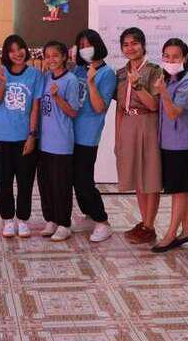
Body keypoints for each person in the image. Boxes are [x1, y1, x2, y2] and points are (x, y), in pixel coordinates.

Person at [0, 35, 42, 238]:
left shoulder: (35, 74)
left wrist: (32, 135)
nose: (17, 53)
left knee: (25, 180)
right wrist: (2, 84)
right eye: (11, 50)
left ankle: (23, 219)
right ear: (6, 53)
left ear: (25, 50)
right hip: (1, 136)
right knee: (3, 181)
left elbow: (35, 108)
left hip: (24, 137)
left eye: (20, 48)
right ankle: (8, 220)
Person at [151, 38, 188, 253]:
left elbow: (173, 113)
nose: (170, 61)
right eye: (167, 57)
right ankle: (187, 230)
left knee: (179, 191)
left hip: (182, 144)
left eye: (175, 57)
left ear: (185, 58)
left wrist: (163, 92)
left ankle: (171, 234)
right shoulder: (167, 79)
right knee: (181, 189)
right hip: (168, 143)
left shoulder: (187, 83)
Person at [114, 27, 163, 245]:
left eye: (134, 43)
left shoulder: (154, 70)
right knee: (136, 178)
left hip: (147, 123)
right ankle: (144, 223)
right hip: (127, 124)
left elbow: (153, 105)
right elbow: (119, 109)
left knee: (150, 178)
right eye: (125, 44)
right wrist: (117, 138)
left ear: (143, 45)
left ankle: (149, 226)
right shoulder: (121, 73)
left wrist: (137, 85)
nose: (130, 48)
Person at [71, 29, 116, 242]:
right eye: (81, 45)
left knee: (84, 180)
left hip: (88, 135)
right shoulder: (79, 69)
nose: (85, 49)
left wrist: (91, 82)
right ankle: (89, 215)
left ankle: (102, 221)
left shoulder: (107, 73)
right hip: (71, 133)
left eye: (88, 44)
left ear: (97, 44)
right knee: (75, 179)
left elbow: (99, 107)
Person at [37, 41, 82, 242]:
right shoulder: (46, 77)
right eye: (47, 56)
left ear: (64, 57)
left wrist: (57, 97)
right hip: (44, 142)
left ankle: (64, 223)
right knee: (45, 184)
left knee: (61, 185)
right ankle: (51, 219)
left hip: (62, 142)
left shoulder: (71, 80)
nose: (51, 59)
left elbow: (73, 111)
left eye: (55, 55)